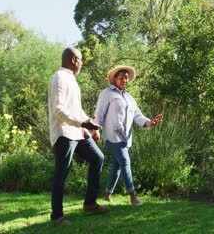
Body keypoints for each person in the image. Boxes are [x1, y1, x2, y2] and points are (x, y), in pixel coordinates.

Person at [48, 47, 110, 225]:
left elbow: (76, 109)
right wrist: (83, 124)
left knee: (97, 158)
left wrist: (91, 125)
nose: (81, 64)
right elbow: (59, 110)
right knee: (62, 173)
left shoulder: (71, 79)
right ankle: (57, 217)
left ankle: (90, 204)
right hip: (64, 133)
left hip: (78, 132)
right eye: (81, 60)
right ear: (74, 60)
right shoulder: (59, 78)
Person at [92, 65, 163, 206]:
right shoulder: (107, 93)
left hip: (126, 137)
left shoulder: (129, 97)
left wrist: (149, 122)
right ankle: (133, 196)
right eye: (121, 77)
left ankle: (107, 195)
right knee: (125, 162)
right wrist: (96, 129)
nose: (124, 80)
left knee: (117, 166)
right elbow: (99, 113)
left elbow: (137, 115)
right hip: (113, 135)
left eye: (126, 77)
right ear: (115, 79)